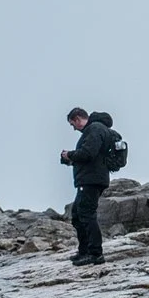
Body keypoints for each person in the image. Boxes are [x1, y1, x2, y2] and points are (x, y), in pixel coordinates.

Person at [59, 107, 116, 266]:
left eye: (73, 124)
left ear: (77, 119)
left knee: (86, 214)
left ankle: (95, 254)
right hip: (90, 179)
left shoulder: (94, 129)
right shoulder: (95, 129)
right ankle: (84, 251)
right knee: (77, 214)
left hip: (91, 180)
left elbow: (88, 153)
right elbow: (89, 156)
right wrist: (71, 159)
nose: (74, 128)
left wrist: (69, 154)